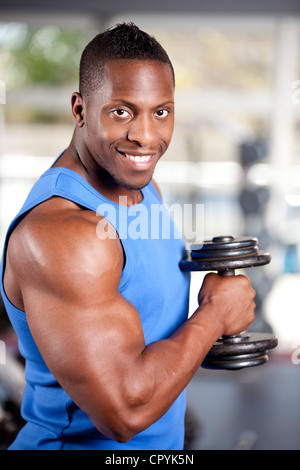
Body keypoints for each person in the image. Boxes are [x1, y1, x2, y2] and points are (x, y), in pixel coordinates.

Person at [0, 23, 255, 450]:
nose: (146, 136)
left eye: (161, 111)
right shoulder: (61, 236)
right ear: (80, 110)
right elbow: (125, 413)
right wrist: (214, 314)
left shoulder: (143, 188)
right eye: (122, 111)